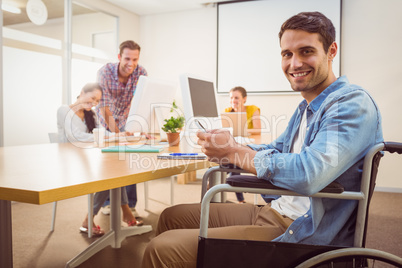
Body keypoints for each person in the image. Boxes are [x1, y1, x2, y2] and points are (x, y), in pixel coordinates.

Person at [141, 11, 383, 267]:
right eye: (287, 54)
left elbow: (310, 173)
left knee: (161, 249)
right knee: (171, 217)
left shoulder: (351, 104)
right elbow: (275, 149)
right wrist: (227, 146)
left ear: (331, 51)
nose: (295, 63)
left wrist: (235, 152)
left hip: (303, 230)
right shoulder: (306, 107)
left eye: (306, 51)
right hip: (277, 209)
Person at [57, 82, 143, 236]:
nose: (94, 103)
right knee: (109, 174)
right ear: (82, 92)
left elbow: (100, 133)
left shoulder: (91, 114)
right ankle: (121, 212)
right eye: (92, 98)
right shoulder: (64, 110)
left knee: (115, 171)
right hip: (70, 161)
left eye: (97, 101)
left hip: (87, 157)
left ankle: (110, 214)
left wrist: (118, 135)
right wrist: (109, 136)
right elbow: (76, 137)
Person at [96, 40, 148, 216]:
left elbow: (142, 101)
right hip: (106, 120)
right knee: (111, 162)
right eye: (127, 59)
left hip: (126, 119)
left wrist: (141, 126)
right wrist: (119, 135)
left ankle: (130, 204)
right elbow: (104, 108)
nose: (131, 64)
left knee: (129, 158)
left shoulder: (141, 73)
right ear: (119, 57)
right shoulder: (105, 73)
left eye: (135, 59)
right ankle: (108, 203)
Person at [224, 86, 262, 203]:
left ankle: (216, 182)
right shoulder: (227, 111)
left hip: (248, 146)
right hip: (233, 145)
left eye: (236, 97)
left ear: (244, 99)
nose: (233, 101)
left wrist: (243, 131)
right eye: (231, 98)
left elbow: (258, 130)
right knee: (232, 161)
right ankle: (240, 199)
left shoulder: (252, 109)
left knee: (232, 161)